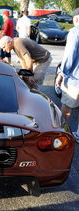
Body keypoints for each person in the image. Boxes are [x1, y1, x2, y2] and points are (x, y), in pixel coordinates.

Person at [56, 7, 79, 143]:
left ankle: (61, 135)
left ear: (76, 19)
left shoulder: (75, 31)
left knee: (67, 106)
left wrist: (61, 73)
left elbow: (70, 56)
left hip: (75, 78)